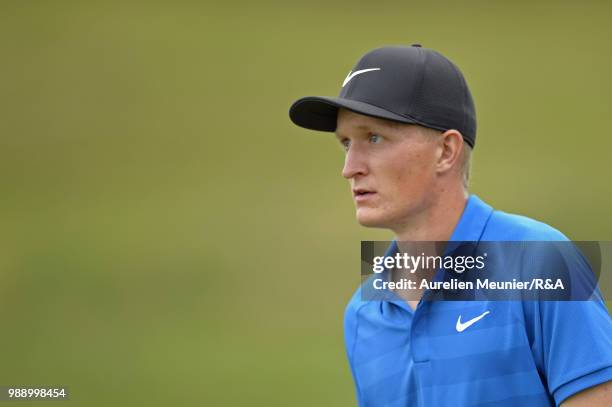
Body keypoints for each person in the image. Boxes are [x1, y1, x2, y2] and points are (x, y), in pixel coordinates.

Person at [288, 45, 612, 406]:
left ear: (446, 151)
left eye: (374, 138)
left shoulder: (540, 261)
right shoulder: (363, 315)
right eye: (346, 143)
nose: (350, 167)